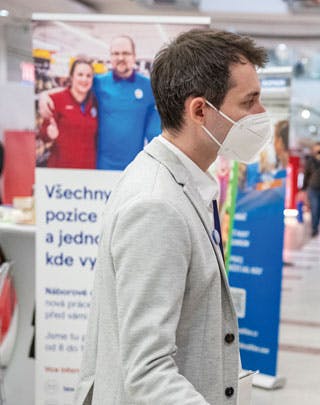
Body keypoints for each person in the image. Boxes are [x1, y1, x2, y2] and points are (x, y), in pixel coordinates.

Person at [75, 28, 270, 404]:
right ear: (200, 110)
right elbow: (148, 371)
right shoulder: (156, 205)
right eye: (249, 102)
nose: (261, 115)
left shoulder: (182, 182)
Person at [40, 35, 161, 170]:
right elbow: (73, 89)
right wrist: (45, 95)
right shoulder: (99, 82)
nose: (120, 58)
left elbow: (156, 125)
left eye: (125, 53)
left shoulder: (148, 86)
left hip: (134, 166)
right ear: (110, 57)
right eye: (116, 53)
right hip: (101, 166)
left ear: (134, 56)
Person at [38, 58, 97, 169]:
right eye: (80, 74)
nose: (84, 79)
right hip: (61, 170)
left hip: (88, 171)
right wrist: (49, 134)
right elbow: (43, 135)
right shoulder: (56, 100)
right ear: (71, 77)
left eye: (88, 76)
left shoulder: (94, 103)